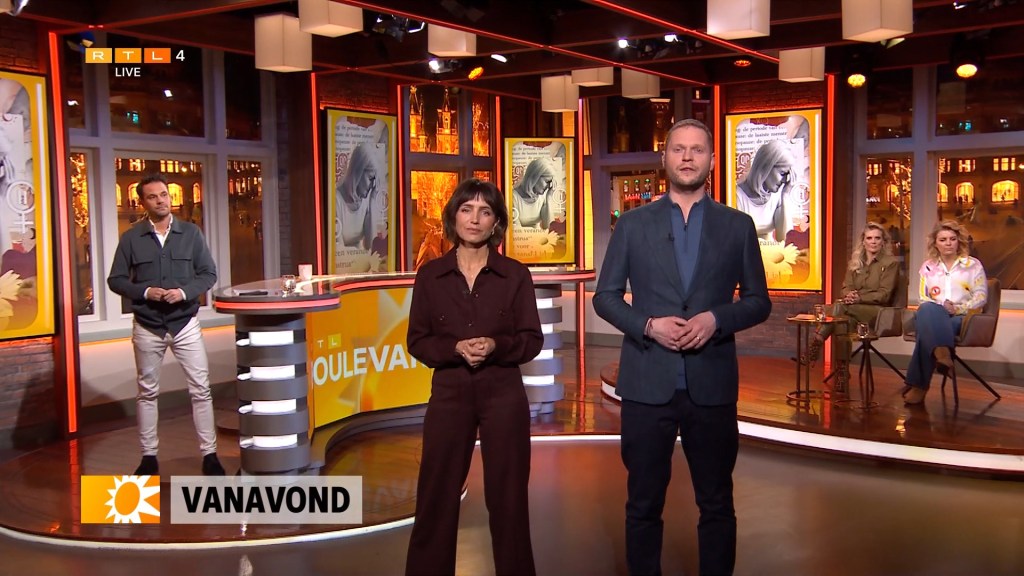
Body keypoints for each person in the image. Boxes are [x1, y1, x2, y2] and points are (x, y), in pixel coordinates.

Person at [593, 119, 771, 576]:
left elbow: (758, 302)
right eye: (678, 149)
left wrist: (717, 319)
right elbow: (605, 297)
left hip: (711, 385)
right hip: (647, 383)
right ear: (665, 158)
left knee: (717, 502)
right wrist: (648, 326)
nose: (687, 157)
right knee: (643, 503)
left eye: (697, 150)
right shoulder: (633, 225)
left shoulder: (738, 226)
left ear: (712, 160)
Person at [405, 178, 543, 576]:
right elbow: (417, 340)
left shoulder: (515, 275)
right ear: (454, 217)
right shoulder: (430, 276)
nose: (475, 219)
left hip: (503, 394)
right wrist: (454, 349)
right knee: (436, 495)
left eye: (485, 211)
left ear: (496, 222)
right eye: (467, 210)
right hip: (449, 394)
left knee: (509, 498)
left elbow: (531, 339)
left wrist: (496, 346)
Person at [107, 174, 225, 476]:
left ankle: (210, 455)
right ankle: (148, 457)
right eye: (153, 197)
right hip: (148, 326)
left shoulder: (191, 233)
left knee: (201, 390)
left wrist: (184, 292)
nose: (161, 200)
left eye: (164, 195)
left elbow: (208, 274)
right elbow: (116, 280)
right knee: (147, 392)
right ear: (142, 202)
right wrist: (146, 292)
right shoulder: (131, 238)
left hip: (185, 323)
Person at [801, 223, 900, 388]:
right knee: (842, 321)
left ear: (883, 241)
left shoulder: (890, 263)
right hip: (852, 310)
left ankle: (816, 343)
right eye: (869, 238)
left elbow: (884, 294)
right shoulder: (855, 263)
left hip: (878, 313)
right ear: (863, 241)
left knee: (840, 308)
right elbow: (845, 288)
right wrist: (849, 295)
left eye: (877, 238)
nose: (873, 242)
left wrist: (858, 298)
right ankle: (842, 372)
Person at [903, 220, 987, 405]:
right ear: (935, 243)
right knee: (927, 309)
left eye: (952, 239)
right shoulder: (928, 267)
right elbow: (923, 298)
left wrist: (957, 308)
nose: (948, 243)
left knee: (927, 332)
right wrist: (942, 306)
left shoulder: (973, 265)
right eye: (943, 240)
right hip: (933, 313)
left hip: (962, 317)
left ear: (959, 241)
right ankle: (943, 355)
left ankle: (919, 386)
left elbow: (981, 296)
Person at [735, 139, 797, 242]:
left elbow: (784, 239)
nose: (785, 181)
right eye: (782, 173)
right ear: (766, 167)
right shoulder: (737, 196)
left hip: (771, 252)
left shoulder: (777, 196)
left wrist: (785, 195)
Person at [335, 143, 381, 251]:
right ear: (358, 171)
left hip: (361, 259)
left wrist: (372, 203)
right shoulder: (336, 201)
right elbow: (338, 250)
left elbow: (372, 247)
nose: (372, 186)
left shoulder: (366, 201)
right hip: (347, 260)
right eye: (370, 178)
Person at [511, 157, 561, 229]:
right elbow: (516, 230)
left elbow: (548, 227)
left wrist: (549, 198)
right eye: (547, 181)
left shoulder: (543, 196)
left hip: (538, 236)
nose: (548, 186)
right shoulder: (513, 197)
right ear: (535, 176)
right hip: (523, 236)